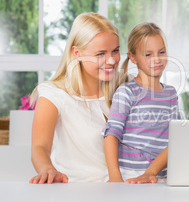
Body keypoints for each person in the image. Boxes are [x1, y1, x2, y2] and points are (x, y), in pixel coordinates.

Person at [29, 12, 121, 184]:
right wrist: (47, 168)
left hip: (122, 191)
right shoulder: (55, 94)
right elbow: (39, 147)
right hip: (73, 192)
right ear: (77, 53)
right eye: (100, 54)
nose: (111, 61)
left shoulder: (123, 90)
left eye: (115, 51)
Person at [103, 22, 180, 184]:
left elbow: (176, 138)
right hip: (129, 175)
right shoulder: (127, 92)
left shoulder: (171, 94)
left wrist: (153, 172)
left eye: (161, 52)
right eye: (148, 54)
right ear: (132, 58)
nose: (157, 59)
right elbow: (111, 136)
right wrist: (115, 177)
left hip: (161, 175)